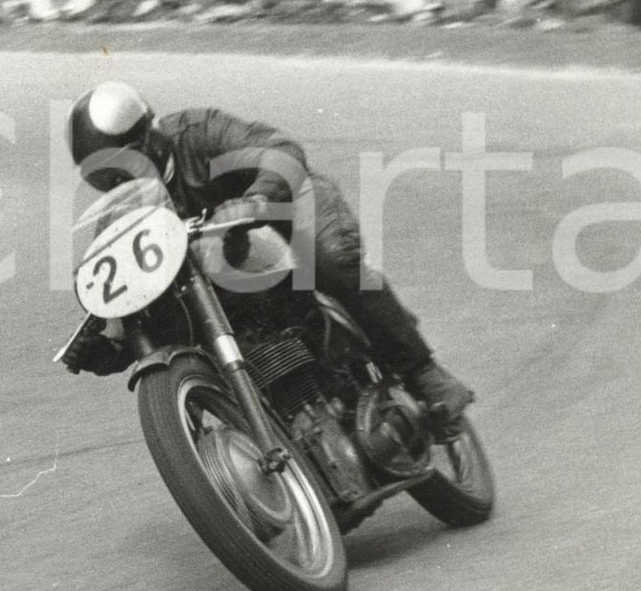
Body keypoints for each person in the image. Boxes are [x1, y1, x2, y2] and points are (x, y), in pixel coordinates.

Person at [65, 81, 474, 421]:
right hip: (217, 270)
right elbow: (123, 290)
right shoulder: (124, 214)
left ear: (148, 139)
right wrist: (106, 348)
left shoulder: (197, 133)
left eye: (120, 163)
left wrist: (254, 200)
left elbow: (280, 151)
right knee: (172, 320)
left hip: (285, 203)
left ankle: (426, 373)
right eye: (102, 175)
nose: (116, 179)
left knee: (330, 260)